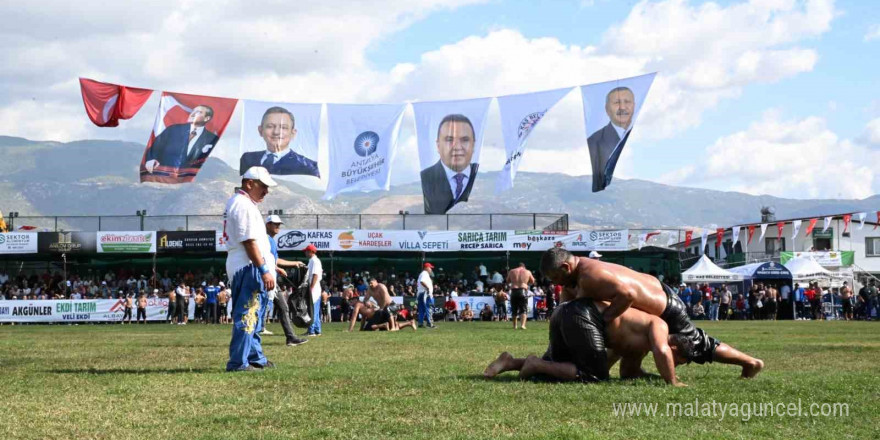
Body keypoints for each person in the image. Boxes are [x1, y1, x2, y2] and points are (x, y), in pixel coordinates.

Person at [484, 298, 764, 384]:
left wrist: (649, 376)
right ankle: (534, 364)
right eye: (681, 361)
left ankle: (511, 362)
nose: (678, 364)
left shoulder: (637, 341)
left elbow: (627, 371)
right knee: (590, 376)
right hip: (584, 318)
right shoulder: (658, 326)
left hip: (576, 319)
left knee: (572, 367)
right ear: (676, 347)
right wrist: (672, 381)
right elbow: (661, 350)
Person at [223, 166, 278, 372]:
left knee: (254, 313)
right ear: (249, 183)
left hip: (246, 264)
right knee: (247, 314)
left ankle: (255, 357)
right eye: (263, 186)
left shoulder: (242, 204)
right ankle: (238, 362)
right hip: (248, 265)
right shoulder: (243, 205)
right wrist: (263, 269)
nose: (266, 191)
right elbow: (249, 242)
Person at [420, 114, 479, 214]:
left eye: (465, 140)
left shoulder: (478, 174)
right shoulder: (425, 177)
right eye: (449, 140)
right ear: (438, 146)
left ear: (473, 145)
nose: (457, 147)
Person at [264, 215, 308, 346]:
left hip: (271, 277)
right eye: (275, 224)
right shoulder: (266, 240)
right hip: (265, 278)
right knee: (261, 308)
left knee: (283, 307)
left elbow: (272, 260)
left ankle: (291, 337)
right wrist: (292, 264)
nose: (278, 226)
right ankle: (249, 338)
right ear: (268, 225)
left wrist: (278, 268)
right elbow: (269, 260)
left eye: (279, 224)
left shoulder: (270, 240)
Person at [239, 106, 319, 177]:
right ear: (260, 130)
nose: (276, 132)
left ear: (293, 133)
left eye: (283, 128)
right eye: (270, 126)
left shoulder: (308, 167)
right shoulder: (247, 159)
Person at [142, 105, 219, 174]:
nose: (192, 114)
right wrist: (150, 159)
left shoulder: (212, 139)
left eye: (198, 112)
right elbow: (155, 147)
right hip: (163, 176)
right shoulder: (173, 130)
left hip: (190, 182)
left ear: (207, 118)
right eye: (193, 111)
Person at [587, 87, 634, 192]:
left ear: (634, 105)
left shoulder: (651, 132)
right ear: (607, 109)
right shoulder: (594, 141)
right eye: (617, 102)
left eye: (627, 102)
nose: (622, 107)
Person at [506, 262, 535, 330]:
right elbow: (532, 281)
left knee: (514, 309)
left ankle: (514, 326)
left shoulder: (512, 271)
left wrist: (514, 282)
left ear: (518, 266)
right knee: (523, 309)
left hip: (514, 291)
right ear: (524, 267)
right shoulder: (527, 271)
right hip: (523, 290)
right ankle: (522, 325)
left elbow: (507, 280)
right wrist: (525, 282)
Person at [304, 244, 323, 336]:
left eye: (307, 251)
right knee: (314, 309)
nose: (305, 253)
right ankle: (317, 330)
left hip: (314, 287)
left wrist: (311, 287)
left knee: (312, 310)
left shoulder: (314, 261)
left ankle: (311, 331)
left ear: (311, 252)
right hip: (315, 287)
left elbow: (315, 275)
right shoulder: (313, 260)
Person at [417, 263, 436, 328]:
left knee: (421, 309)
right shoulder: (425, 273)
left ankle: (420, 323)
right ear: (426, 268)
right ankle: (429, 323)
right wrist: (428, 288)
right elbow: (422, 281)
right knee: (429, 308)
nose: (431, 269)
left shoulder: (422, 274)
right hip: (425, 293)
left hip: (421, 293)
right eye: (430, 268)